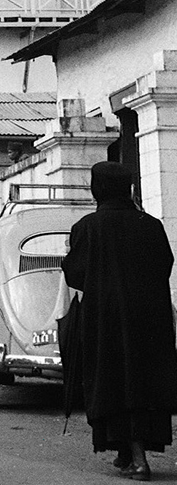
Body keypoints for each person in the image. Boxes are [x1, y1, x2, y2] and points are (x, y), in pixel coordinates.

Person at [62, 161, 177, 480]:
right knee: (142, 382)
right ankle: (127, 453)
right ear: (127, 188)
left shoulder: (87, 227)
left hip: (107, 322)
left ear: (96, 188)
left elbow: (76, 274)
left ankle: (138, 460)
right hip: (150, 321)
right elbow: (164, 265)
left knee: (115, 383)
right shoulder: (151, 225)